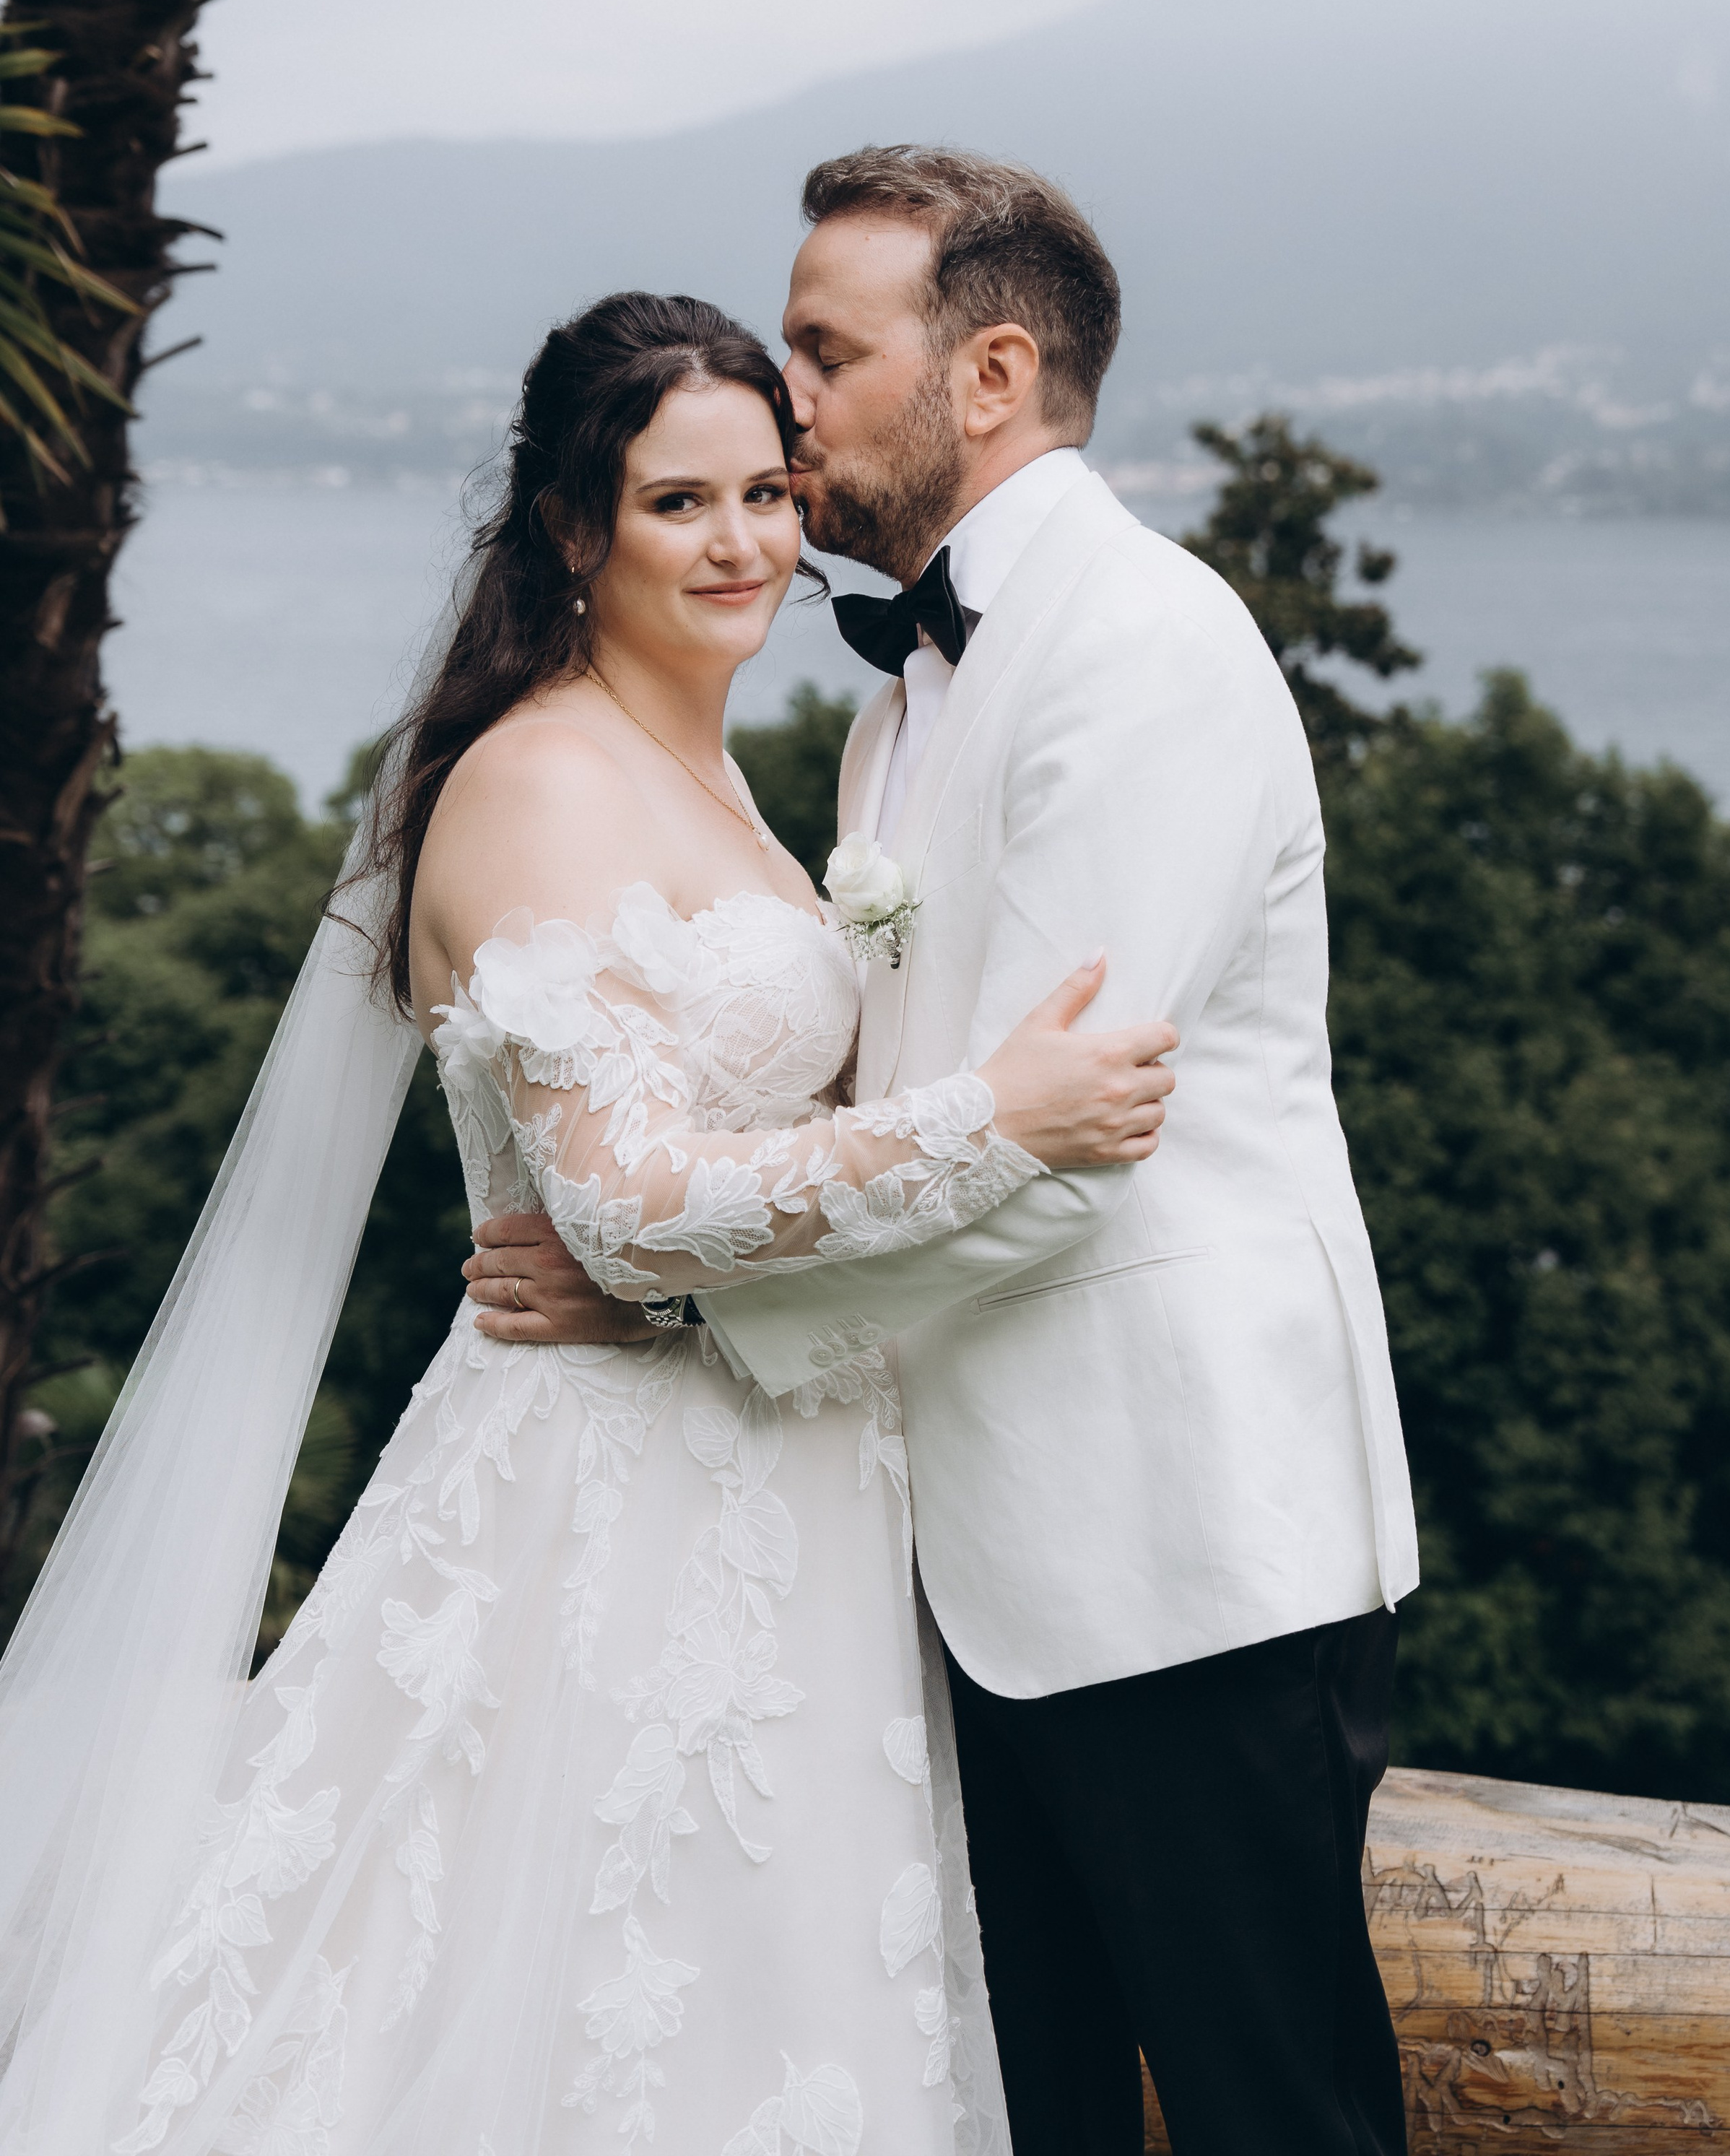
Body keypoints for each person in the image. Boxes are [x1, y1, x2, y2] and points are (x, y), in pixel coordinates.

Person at [0, 291, 1175, 2155]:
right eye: (675, 504)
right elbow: (623, 1206)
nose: (741, 547)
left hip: (779, 1511)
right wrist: (995, 1119)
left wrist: (724, 1281)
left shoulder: (718, 778)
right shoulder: (537, 780)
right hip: (599, 1531)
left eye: (769, 497)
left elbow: (692, 1201)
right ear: (572, 528)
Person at [472, 152, 1420, 2156]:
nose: (785, 396)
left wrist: (681, 1305)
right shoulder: (893, 715)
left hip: (1181, 1552)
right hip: (954, 1569)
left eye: (826, 348)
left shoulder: (1142, 647)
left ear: (988, 373)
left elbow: (1068, 1147)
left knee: (1279, 2119)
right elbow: (903, 1109)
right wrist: (679, 1239)